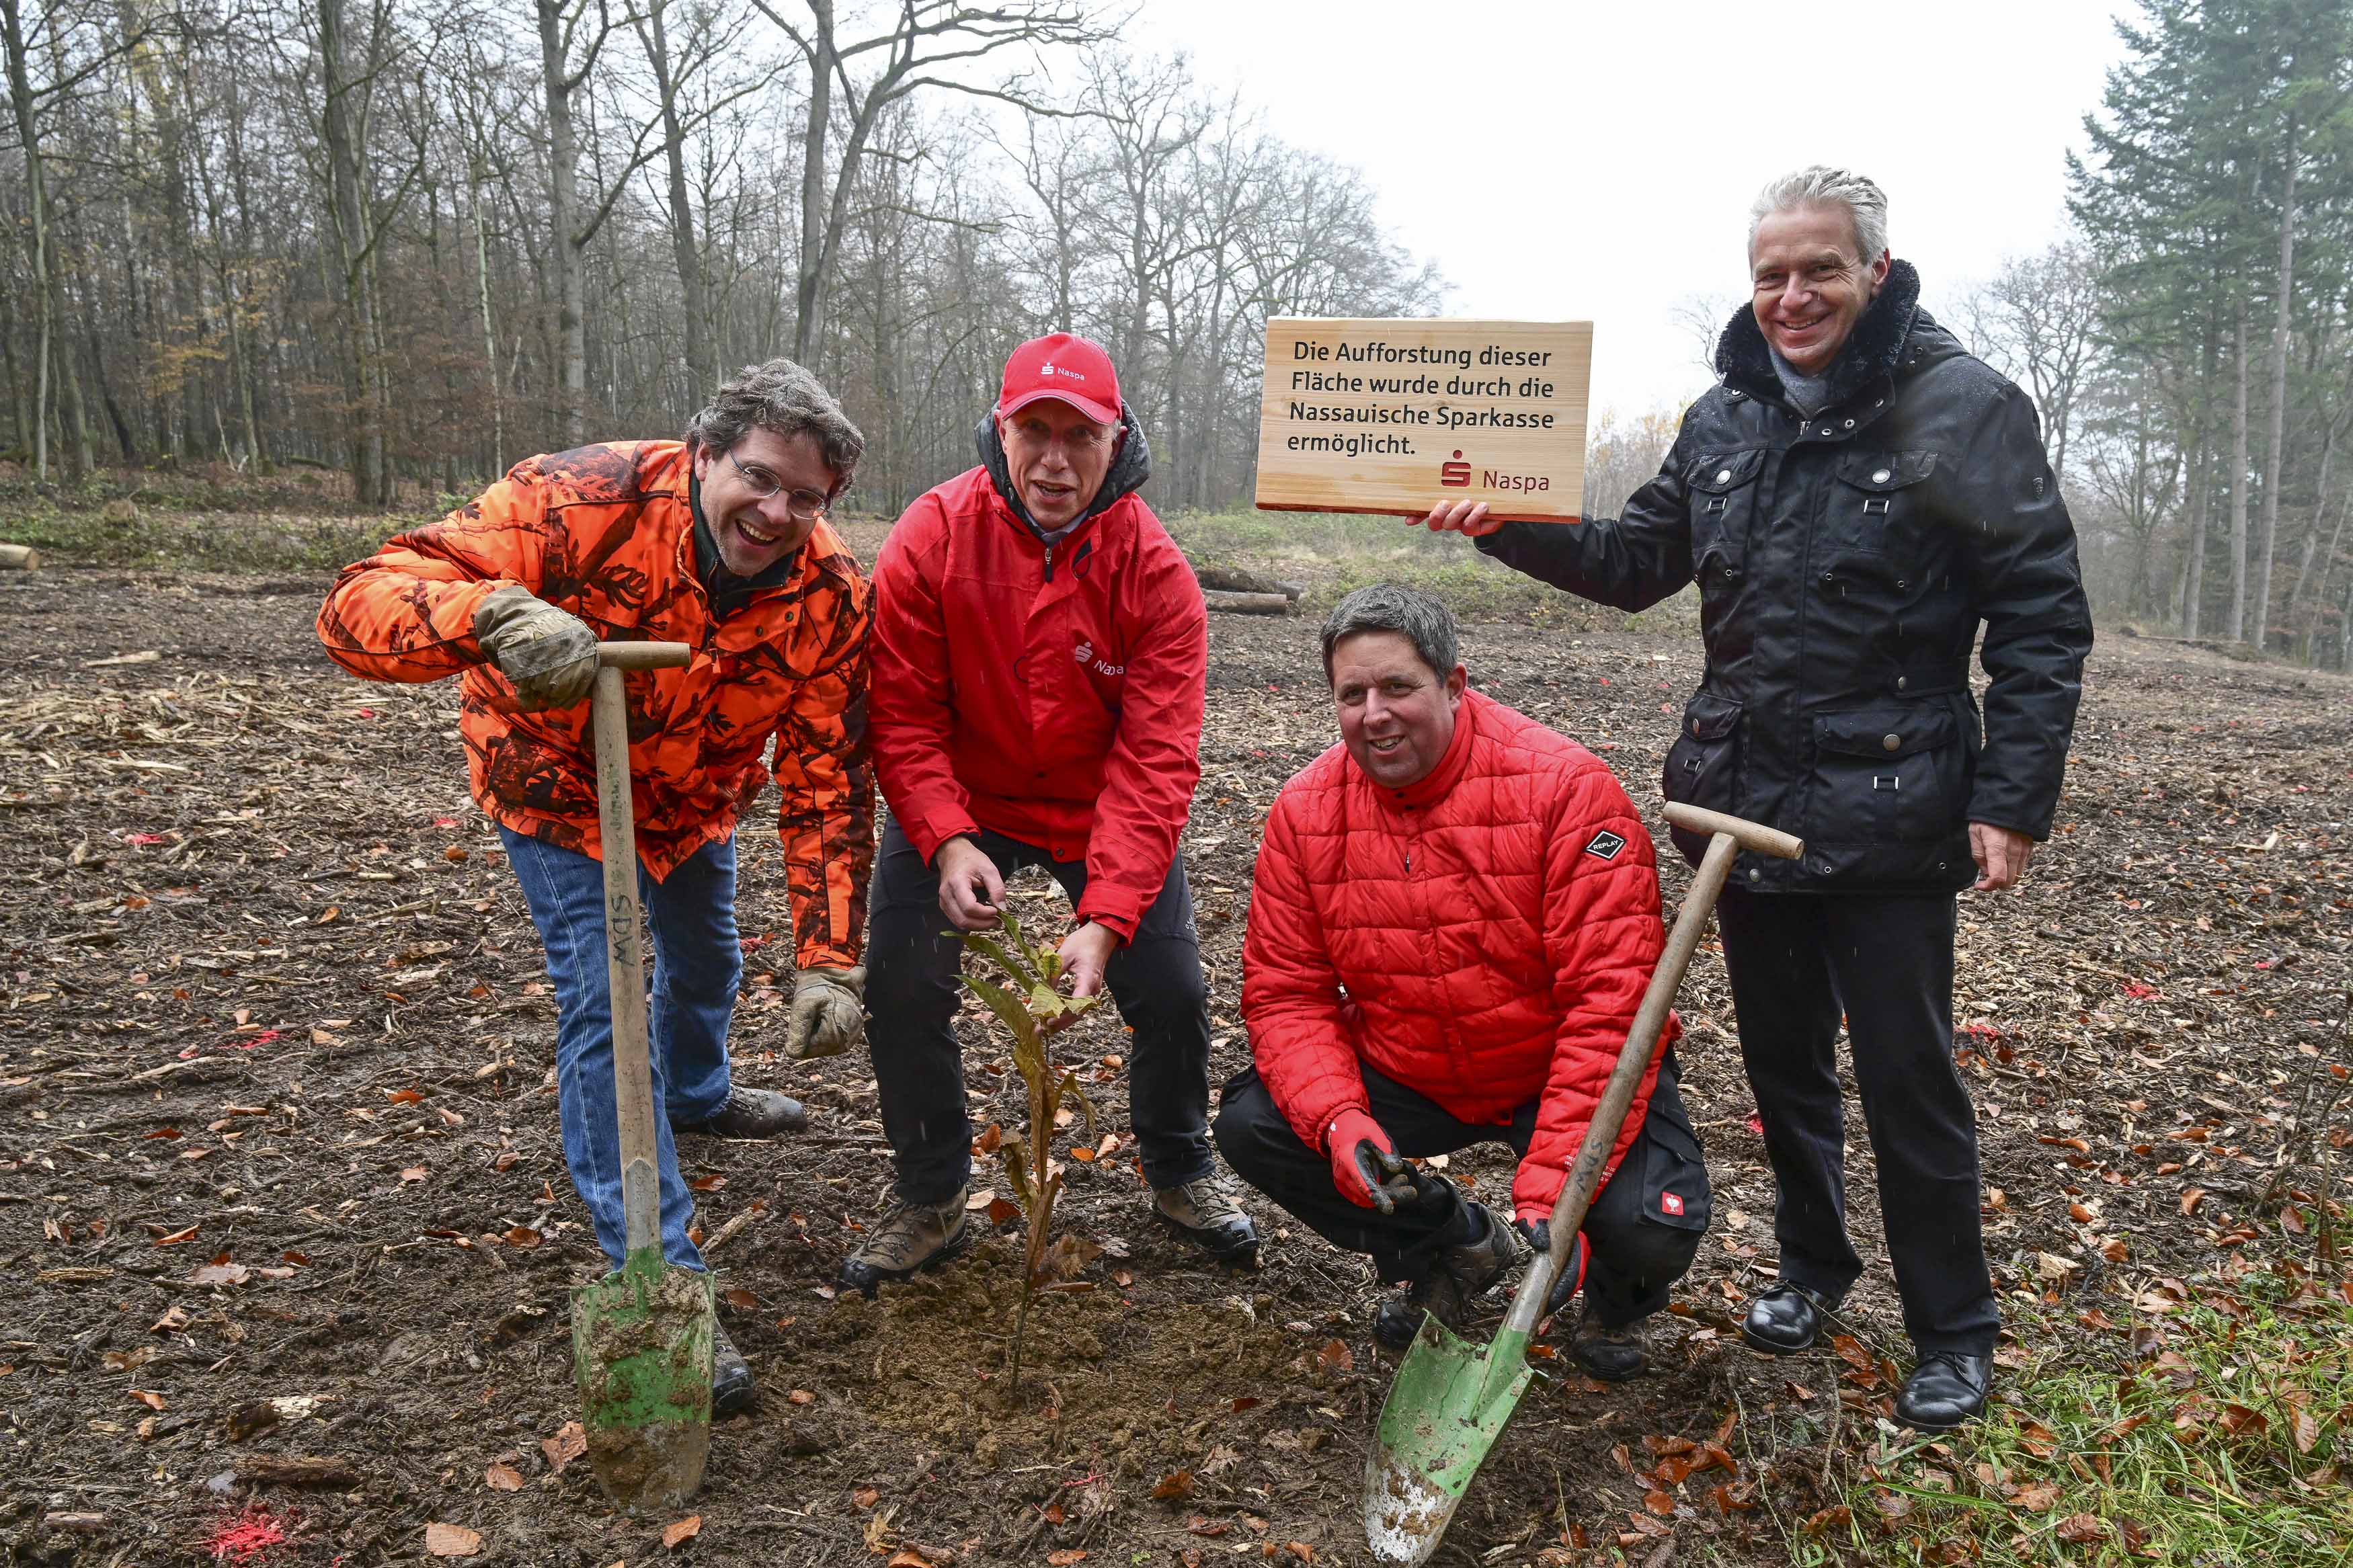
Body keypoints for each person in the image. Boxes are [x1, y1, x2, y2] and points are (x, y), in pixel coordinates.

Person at [1422, 167, 2093, 1429]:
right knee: (1786, 1066)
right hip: (1743, 800)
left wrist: (2013, 795)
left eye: (1820, 269)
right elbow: (1635, 564)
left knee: (1909, 1077)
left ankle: (1954, 1326)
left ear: (1874, 273)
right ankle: (1814, 1267)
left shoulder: (1964, 409)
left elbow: (2043, 615)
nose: (1794, 296)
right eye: (1772, 274)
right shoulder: (1725, 418)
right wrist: (1504, 520)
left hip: (1896, 807)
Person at [317, 359, 877, 1414]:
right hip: (556, 789)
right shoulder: (573, 502)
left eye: (807, 498)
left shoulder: (829, 595)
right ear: (704, 452)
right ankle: (658, 1268)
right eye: (757, 478)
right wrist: (489, 620)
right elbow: (358, 601)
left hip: (693, 801)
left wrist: (830, 957)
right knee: (610, 1001)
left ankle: (698, 1095)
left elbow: (826, 781)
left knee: (708, 964)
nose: (777, 512)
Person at [840, 331, 1259, 1292]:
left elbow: (1155, 761)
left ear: (1119, 440)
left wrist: (1108, 917)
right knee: (901, 985)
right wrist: (945, 839)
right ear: (1001, 427)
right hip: (963, 795)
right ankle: (933, 1193)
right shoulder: (932, 535)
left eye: (1082, 434)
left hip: (1096, 805)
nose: (1056, 460)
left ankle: (1180, 1166)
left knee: (1173, 992)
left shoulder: (1155, 573)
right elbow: (902, 712)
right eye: (1036, 430)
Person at [1214, 585, 1709, 1378]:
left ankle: (1613, 1301)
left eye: (1397, 687)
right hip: (1412, 1063)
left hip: (1552, 1066)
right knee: (1255, 1124)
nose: (1373, 713)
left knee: (1651, 1225)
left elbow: (1609, 1012)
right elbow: (1287, 992)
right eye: (1351, 694)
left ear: (1453, 683)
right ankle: (1451, 1248)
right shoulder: (1304, 814)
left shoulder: (1567, 793)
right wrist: (1340, 1119)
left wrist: (1553, 1199)